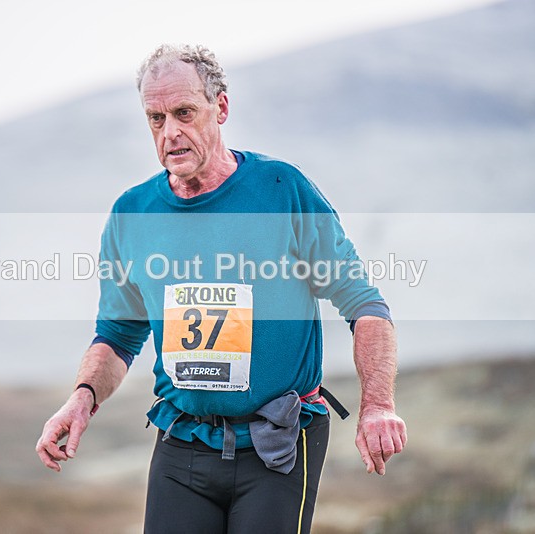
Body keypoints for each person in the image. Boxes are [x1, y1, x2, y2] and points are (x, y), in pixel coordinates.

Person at [36, 44, 407, 534]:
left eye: (184, 113)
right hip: (182, 443)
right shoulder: (133, 214)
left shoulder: (280, 190)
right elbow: (119, 334)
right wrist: (81, 398)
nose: (170, 132)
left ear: (222, 108)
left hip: (276, 446)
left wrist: (378, 405)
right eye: (156, 118)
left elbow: (364, 304)